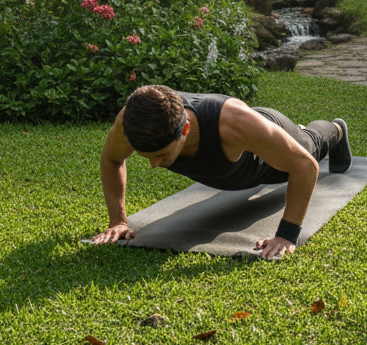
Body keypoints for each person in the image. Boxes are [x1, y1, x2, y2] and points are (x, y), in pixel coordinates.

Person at [89, 84, 353, 259]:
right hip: (235, 167)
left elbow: (305, 167)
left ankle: (336, 129)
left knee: (311, 145)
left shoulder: (233, 123)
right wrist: (119, 221)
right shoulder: (132, 122)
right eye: (147, 157)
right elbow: (111, 159)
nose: (154, 165)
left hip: (265, 155)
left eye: (161, 156)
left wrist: (286, 235)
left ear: (185, 130)